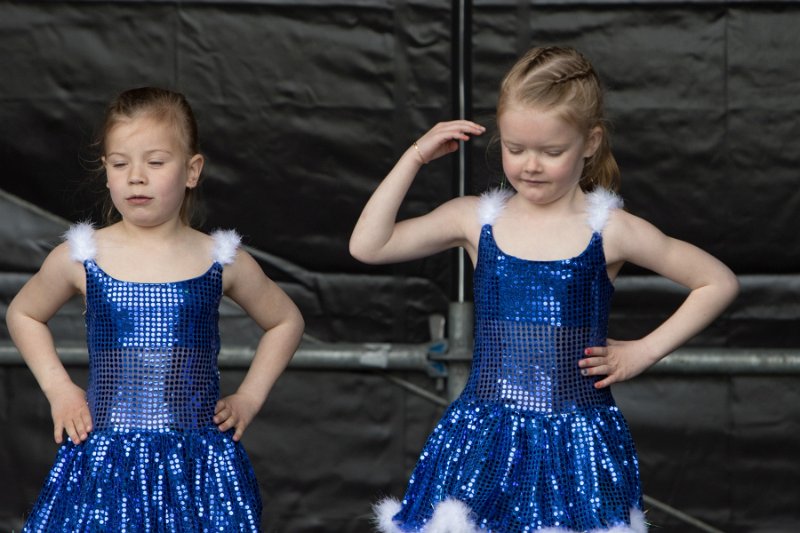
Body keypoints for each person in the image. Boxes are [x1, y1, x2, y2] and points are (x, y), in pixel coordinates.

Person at [349, 46, 739, 533]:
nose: (530, 165)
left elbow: (716, 281)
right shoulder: (474, 219)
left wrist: (644, 351)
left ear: (590, 142)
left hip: (578, 444)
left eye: (551, 152)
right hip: (482, 439)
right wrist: (415, 157)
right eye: (515, 149)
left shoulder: (610, 229)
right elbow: (369, 245)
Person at [6, 87, 305, 531]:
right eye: (120, 163)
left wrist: (249, 398)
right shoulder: (83, 255)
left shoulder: (220, 259)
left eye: (156, 162)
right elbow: (24, 313)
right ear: (105, 171)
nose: (136, 177)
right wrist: (58, 388)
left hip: (197, 467)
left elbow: (285, 320)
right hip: (107, 465)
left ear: (191, 170)